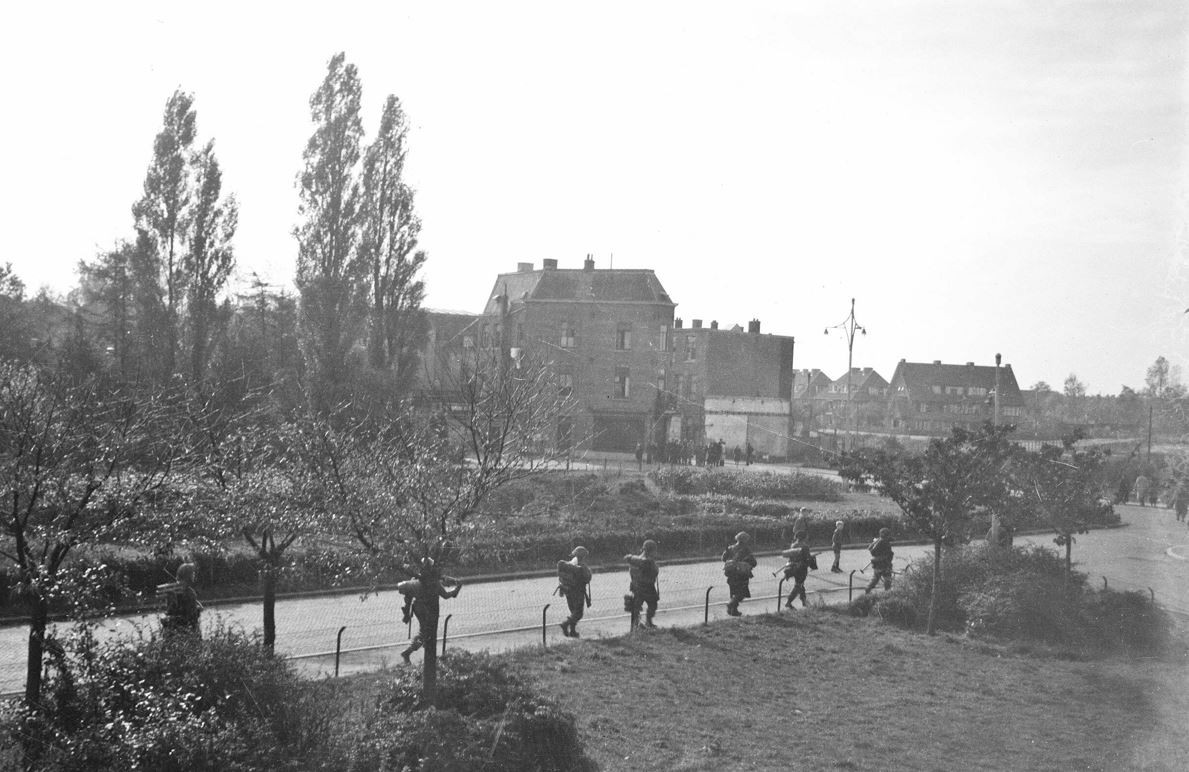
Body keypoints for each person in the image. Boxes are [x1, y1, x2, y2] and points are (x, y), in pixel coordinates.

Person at [399, 558, 462, 663]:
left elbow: (408, 596)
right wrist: (456, 589)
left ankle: (423, 651)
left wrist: (406, 612)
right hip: (427, 609)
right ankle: (409, 652)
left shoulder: (416, 578)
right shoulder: (433, 582)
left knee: (424, 631)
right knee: (426, 632)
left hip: (417, 607)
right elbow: (445, 595)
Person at [557, 546, 593, 637]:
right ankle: (565, 624)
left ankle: (572, 632)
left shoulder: (570, 564)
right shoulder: (582, 566)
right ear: (582, 556)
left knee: (573, 612)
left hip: (568, 591)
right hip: (578, 592)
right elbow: (587, 578)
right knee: (578, 613)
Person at [624, 540, 660, 629]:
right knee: (652, 604)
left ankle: (636, 624)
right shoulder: (647, 561)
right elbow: (653, 570)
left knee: (637, 607)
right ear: (651, 550)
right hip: (647, 587)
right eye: (654, 550)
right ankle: (648, 622)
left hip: (636, 586)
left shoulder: (634, 559)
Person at [160, 562, 202, 637]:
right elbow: (191, 615)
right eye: (192, 573)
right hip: (186, 629)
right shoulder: (189, 592)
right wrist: (198, 609)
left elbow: (171, 610)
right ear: (187, 576)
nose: (194, 575)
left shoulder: (173, 589)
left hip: (173, 628)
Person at [721, 532, 757, 616]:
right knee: (741, 593)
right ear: (745, 540)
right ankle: (731, 604)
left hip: (731, 574)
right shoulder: (746, 550)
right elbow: (754, 562)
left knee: (733, 592)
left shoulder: (730, 548)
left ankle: (733, 611)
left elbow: (723, 559)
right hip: (742, 574)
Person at [777, 532, 816, 608]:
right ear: (804, 537)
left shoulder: (793, 545)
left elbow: (792, 556)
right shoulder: (805, 546)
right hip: (801, 569)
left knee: (801, 584)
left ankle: (804, 601)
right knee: (798, 585)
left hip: (793, 567)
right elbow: (807, 558)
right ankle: (789, 602)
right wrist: (812, 559)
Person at [865, 528, 894, 594]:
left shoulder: (878, 541)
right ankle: (887, 593)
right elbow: (889, 553)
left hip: (877, 563)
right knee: (887, 579)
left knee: (875, 578)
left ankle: (868, 589)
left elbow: (870, 549)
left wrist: (875, 541)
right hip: (885, 563)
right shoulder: (884, 542)